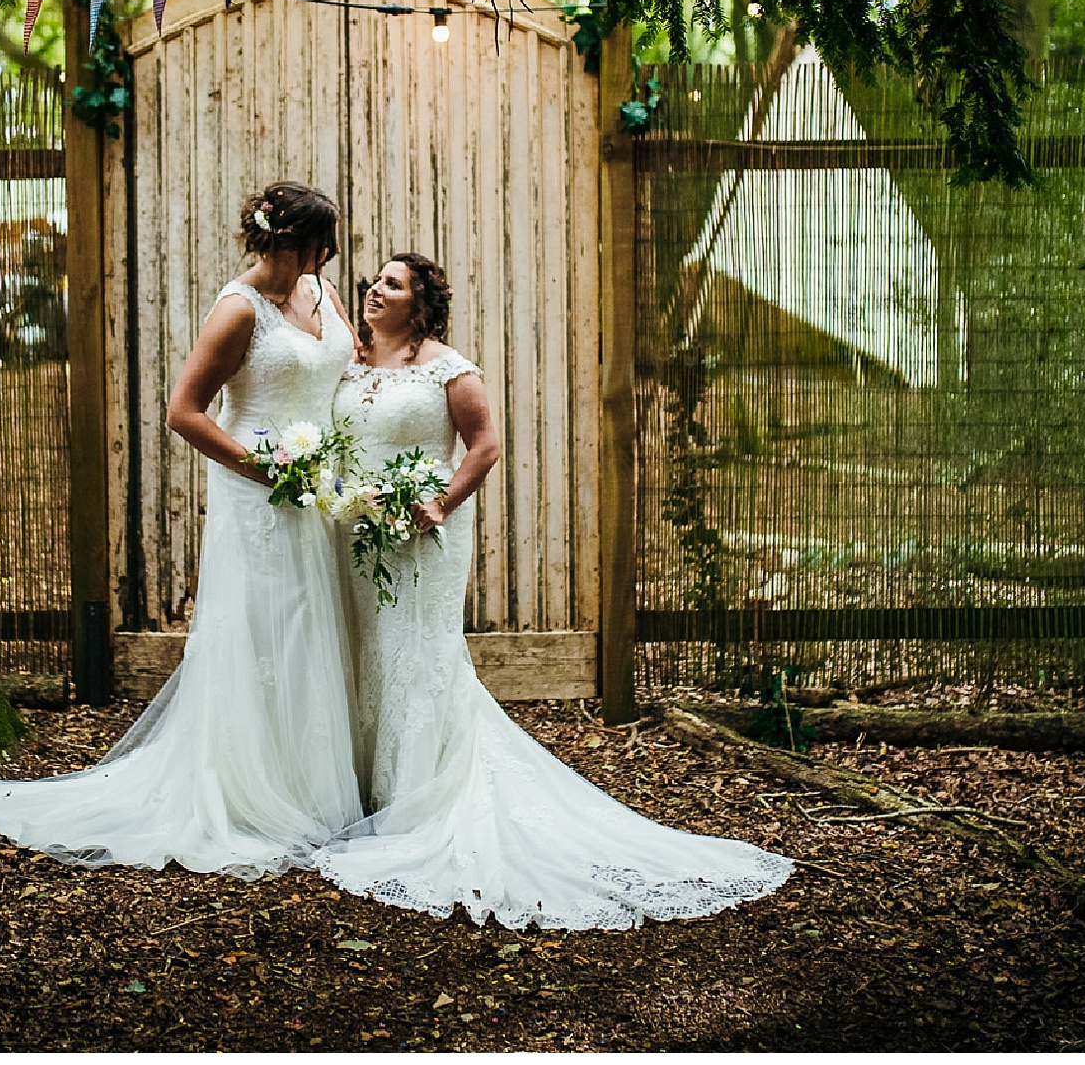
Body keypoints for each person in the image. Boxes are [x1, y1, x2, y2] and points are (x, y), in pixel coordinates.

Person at [313, 253, 795, 929]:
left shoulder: (452, 370)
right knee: (361, 649)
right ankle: (357, 790)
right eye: (375, 280)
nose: (374, 290)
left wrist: (438, 506)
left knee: (413, 657)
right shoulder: (351, 363)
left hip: (416, 538)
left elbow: (483, 447)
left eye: (391, 284)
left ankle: (411, 800)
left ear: (418, 304)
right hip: (351, 535)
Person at [0, 182, 364, 875]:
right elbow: (185, 412)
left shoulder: (318, 295)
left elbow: (343, 374)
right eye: (321, 246)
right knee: (273, 631)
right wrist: (268, 470)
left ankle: (324, 779)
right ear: (293, 241)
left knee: (319, 627)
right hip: (261, 497)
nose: (328, 259)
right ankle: (262, 789)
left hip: (323, 491)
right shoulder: (238, 311)